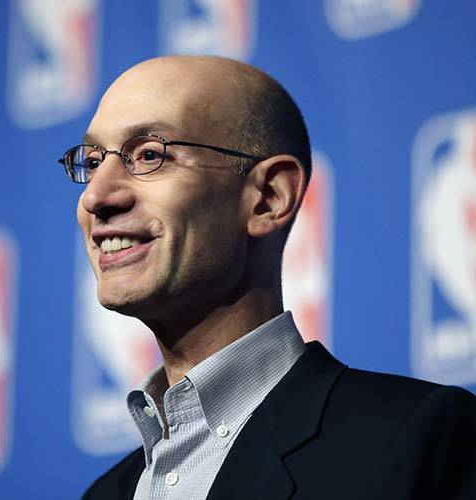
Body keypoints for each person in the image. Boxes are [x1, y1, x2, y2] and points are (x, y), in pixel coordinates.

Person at [57, 55, 476, 500]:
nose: (96, 197)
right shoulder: (103, 494)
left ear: (269, 197)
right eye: (94, 160)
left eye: (148, 155)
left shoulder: (411, 439)